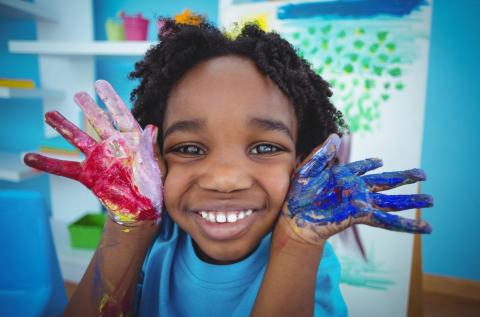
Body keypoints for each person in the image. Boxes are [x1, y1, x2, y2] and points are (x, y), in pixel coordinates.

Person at [24, 17, 433, 317]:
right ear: (155, 161)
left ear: (303, 160)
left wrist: (299, 246)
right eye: (188, 148)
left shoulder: (309, 257)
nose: (225, 179)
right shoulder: (156, 239)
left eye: (264, 147)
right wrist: (128, 229)